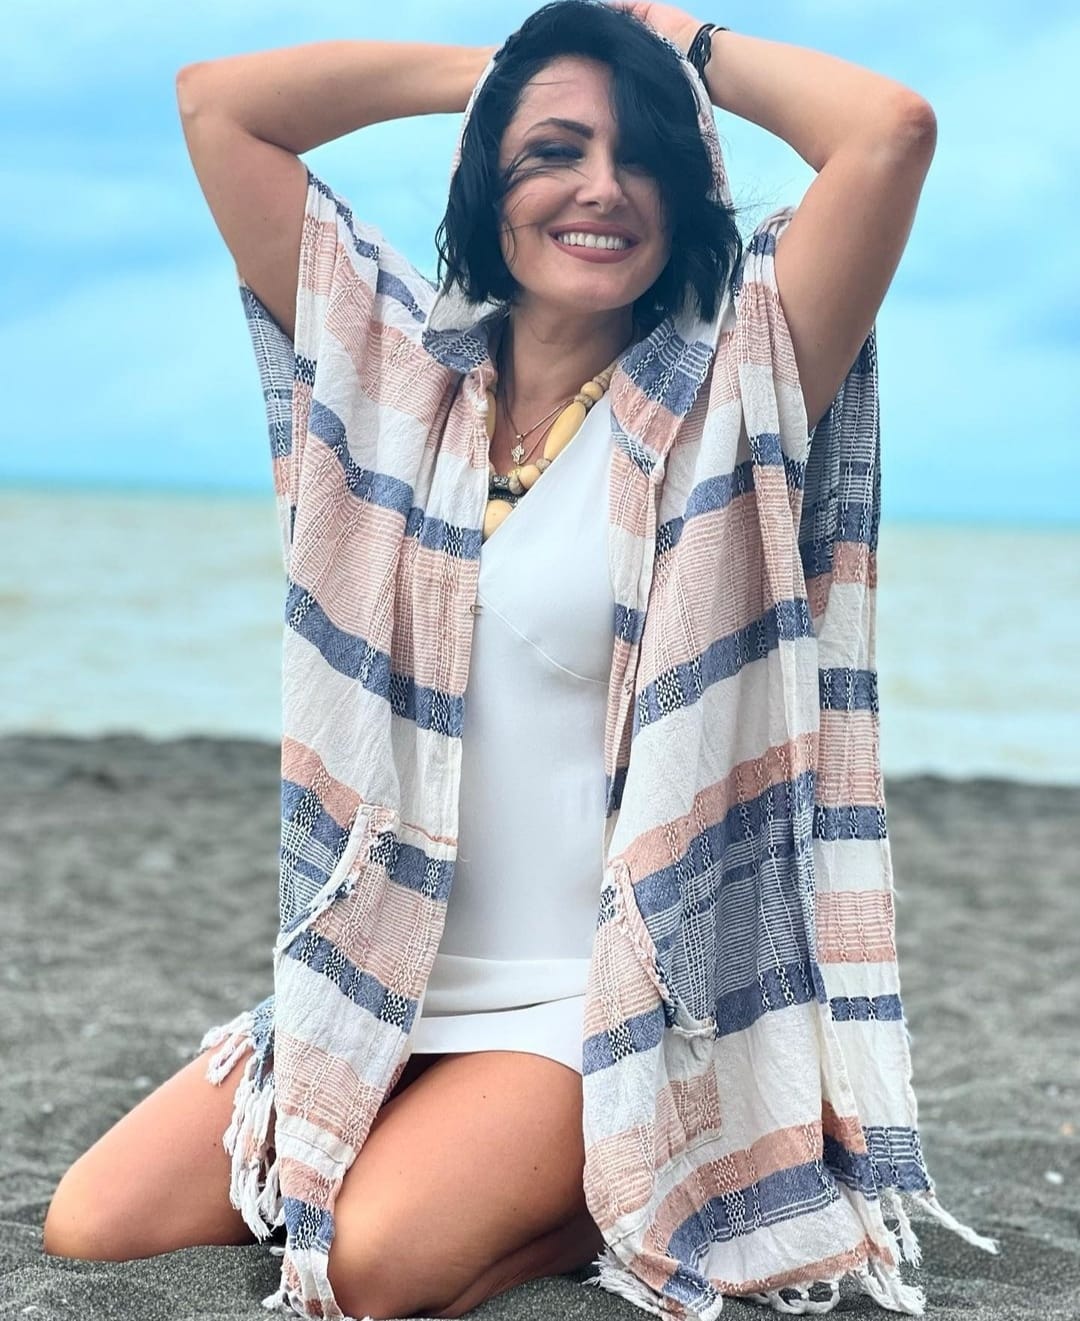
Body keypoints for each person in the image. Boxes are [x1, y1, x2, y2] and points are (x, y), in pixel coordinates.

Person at [42, 5, 972, 1321]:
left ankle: (634, 1172)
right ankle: (476, 1146)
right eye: (554, 150)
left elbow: (889, 131)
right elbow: (220, 106)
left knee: (371, 1265)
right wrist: (498, 77)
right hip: (385, 970)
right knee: (93, 1224)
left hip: (597, 1001)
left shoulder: (733, 387)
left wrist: (675, 41)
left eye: (643, 154)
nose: (603, 186)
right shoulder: (400, 384)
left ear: (687, 192)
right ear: (489, 181)